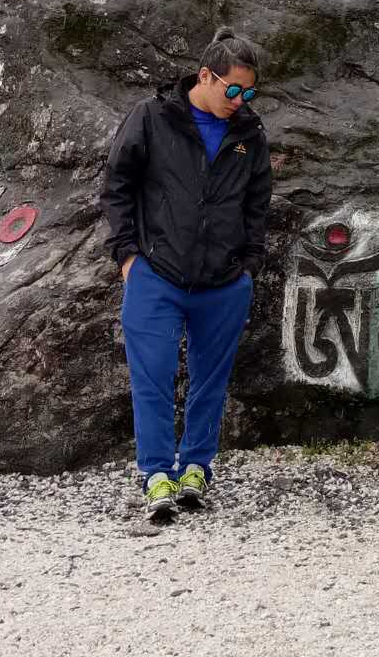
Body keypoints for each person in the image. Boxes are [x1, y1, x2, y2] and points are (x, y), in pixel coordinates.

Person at [100, 26, 271, 518]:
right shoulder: (152, 118)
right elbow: (117, 186)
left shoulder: (250, 134)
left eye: (249, 92)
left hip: (223, 283)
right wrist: (127, 256)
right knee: (152, 378)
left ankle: (196, 468)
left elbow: (258, 204)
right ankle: (156, 475)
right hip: (156, 275)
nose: (239, 100)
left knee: (209, 381)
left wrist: (249, 266)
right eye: (232, 88)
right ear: (205, 75)